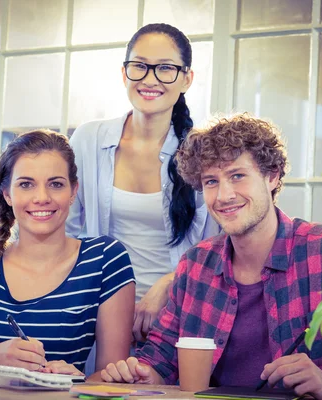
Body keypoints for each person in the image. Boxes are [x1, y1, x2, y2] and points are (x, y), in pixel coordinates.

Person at [101, 114, 322, 400]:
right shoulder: (195, 265)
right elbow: (159, 361)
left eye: (237, 176)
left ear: (272, 176)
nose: (224, 196)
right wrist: (138, 373)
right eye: (211, 182)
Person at [0, 130, 135, 377]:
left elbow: (112, 380)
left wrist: (78, 381)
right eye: (26, 184)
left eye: (56, 184)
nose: (42, 198)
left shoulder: (105, 260)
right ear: (7, 194)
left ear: (73, 191)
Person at [67, 23, 218, 344]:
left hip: (179, 319)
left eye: (165, 68)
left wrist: (168, 283)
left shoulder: (205, 154)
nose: (150, 79)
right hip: (95, 319)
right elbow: (61, 232)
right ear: (124, 74)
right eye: (139, 66)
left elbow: (220, 251)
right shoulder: (88, 139)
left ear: (186, 79)